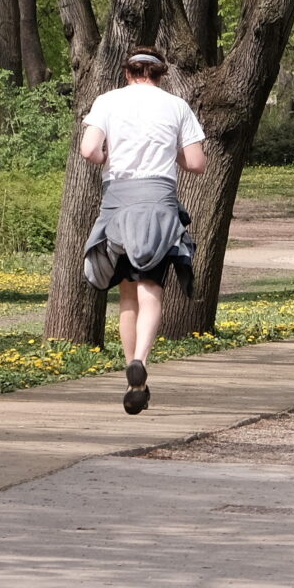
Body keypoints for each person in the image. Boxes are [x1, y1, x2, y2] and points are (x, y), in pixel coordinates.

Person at [78, 48, 207, 414]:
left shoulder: (107, 101)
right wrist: (174, 154)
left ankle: (134, 375)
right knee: (152, 288)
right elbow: (196, 163)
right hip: (158, 204)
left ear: (127, 72)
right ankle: (142, 361)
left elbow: (89, 150)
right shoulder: (176, 106)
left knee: (127, 294)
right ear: (161, 74)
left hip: (118, 204)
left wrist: (106, 157)